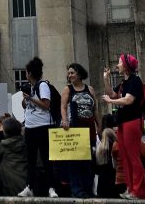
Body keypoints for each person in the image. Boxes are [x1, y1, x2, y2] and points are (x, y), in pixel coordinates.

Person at [103, 53, 145, 200]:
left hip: (132, 121)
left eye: (120, 62)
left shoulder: (135, 81)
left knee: (133, 156)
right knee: (125, 155)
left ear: (127, 66)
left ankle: (138, 190)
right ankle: (130, 188)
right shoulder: (124, 82)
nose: (118, 64)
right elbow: (112, 93)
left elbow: (128, 100)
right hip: (123, 122)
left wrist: (110, 101)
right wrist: (106, 79)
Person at [17, 55, 58, 198]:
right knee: (31, 159)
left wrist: (31, 99)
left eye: (26, 72)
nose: (25, 75)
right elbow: (27, 105)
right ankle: (29, 186)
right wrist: (25, 101)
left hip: (43, 126)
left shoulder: (42, 85)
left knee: (47, 158)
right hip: (30, 127)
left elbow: (46, 104)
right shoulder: (32, 88)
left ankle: (51, 188)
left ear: (30, 73)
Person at [61, 61, 97, 198]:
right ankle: (77, 190)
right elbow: (63, 106)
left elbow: (95, 109)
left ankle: (88, 189)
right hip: (75, 127)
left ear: (79, 74)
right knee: (75, 161)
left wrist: (98, 125)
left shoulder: (90, 89)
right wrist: (65, 120)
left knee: (88, 160)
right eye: (69, 73)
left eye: (72, 73)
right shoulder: (67, 90)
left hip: (89, 127)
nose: (70, 75)